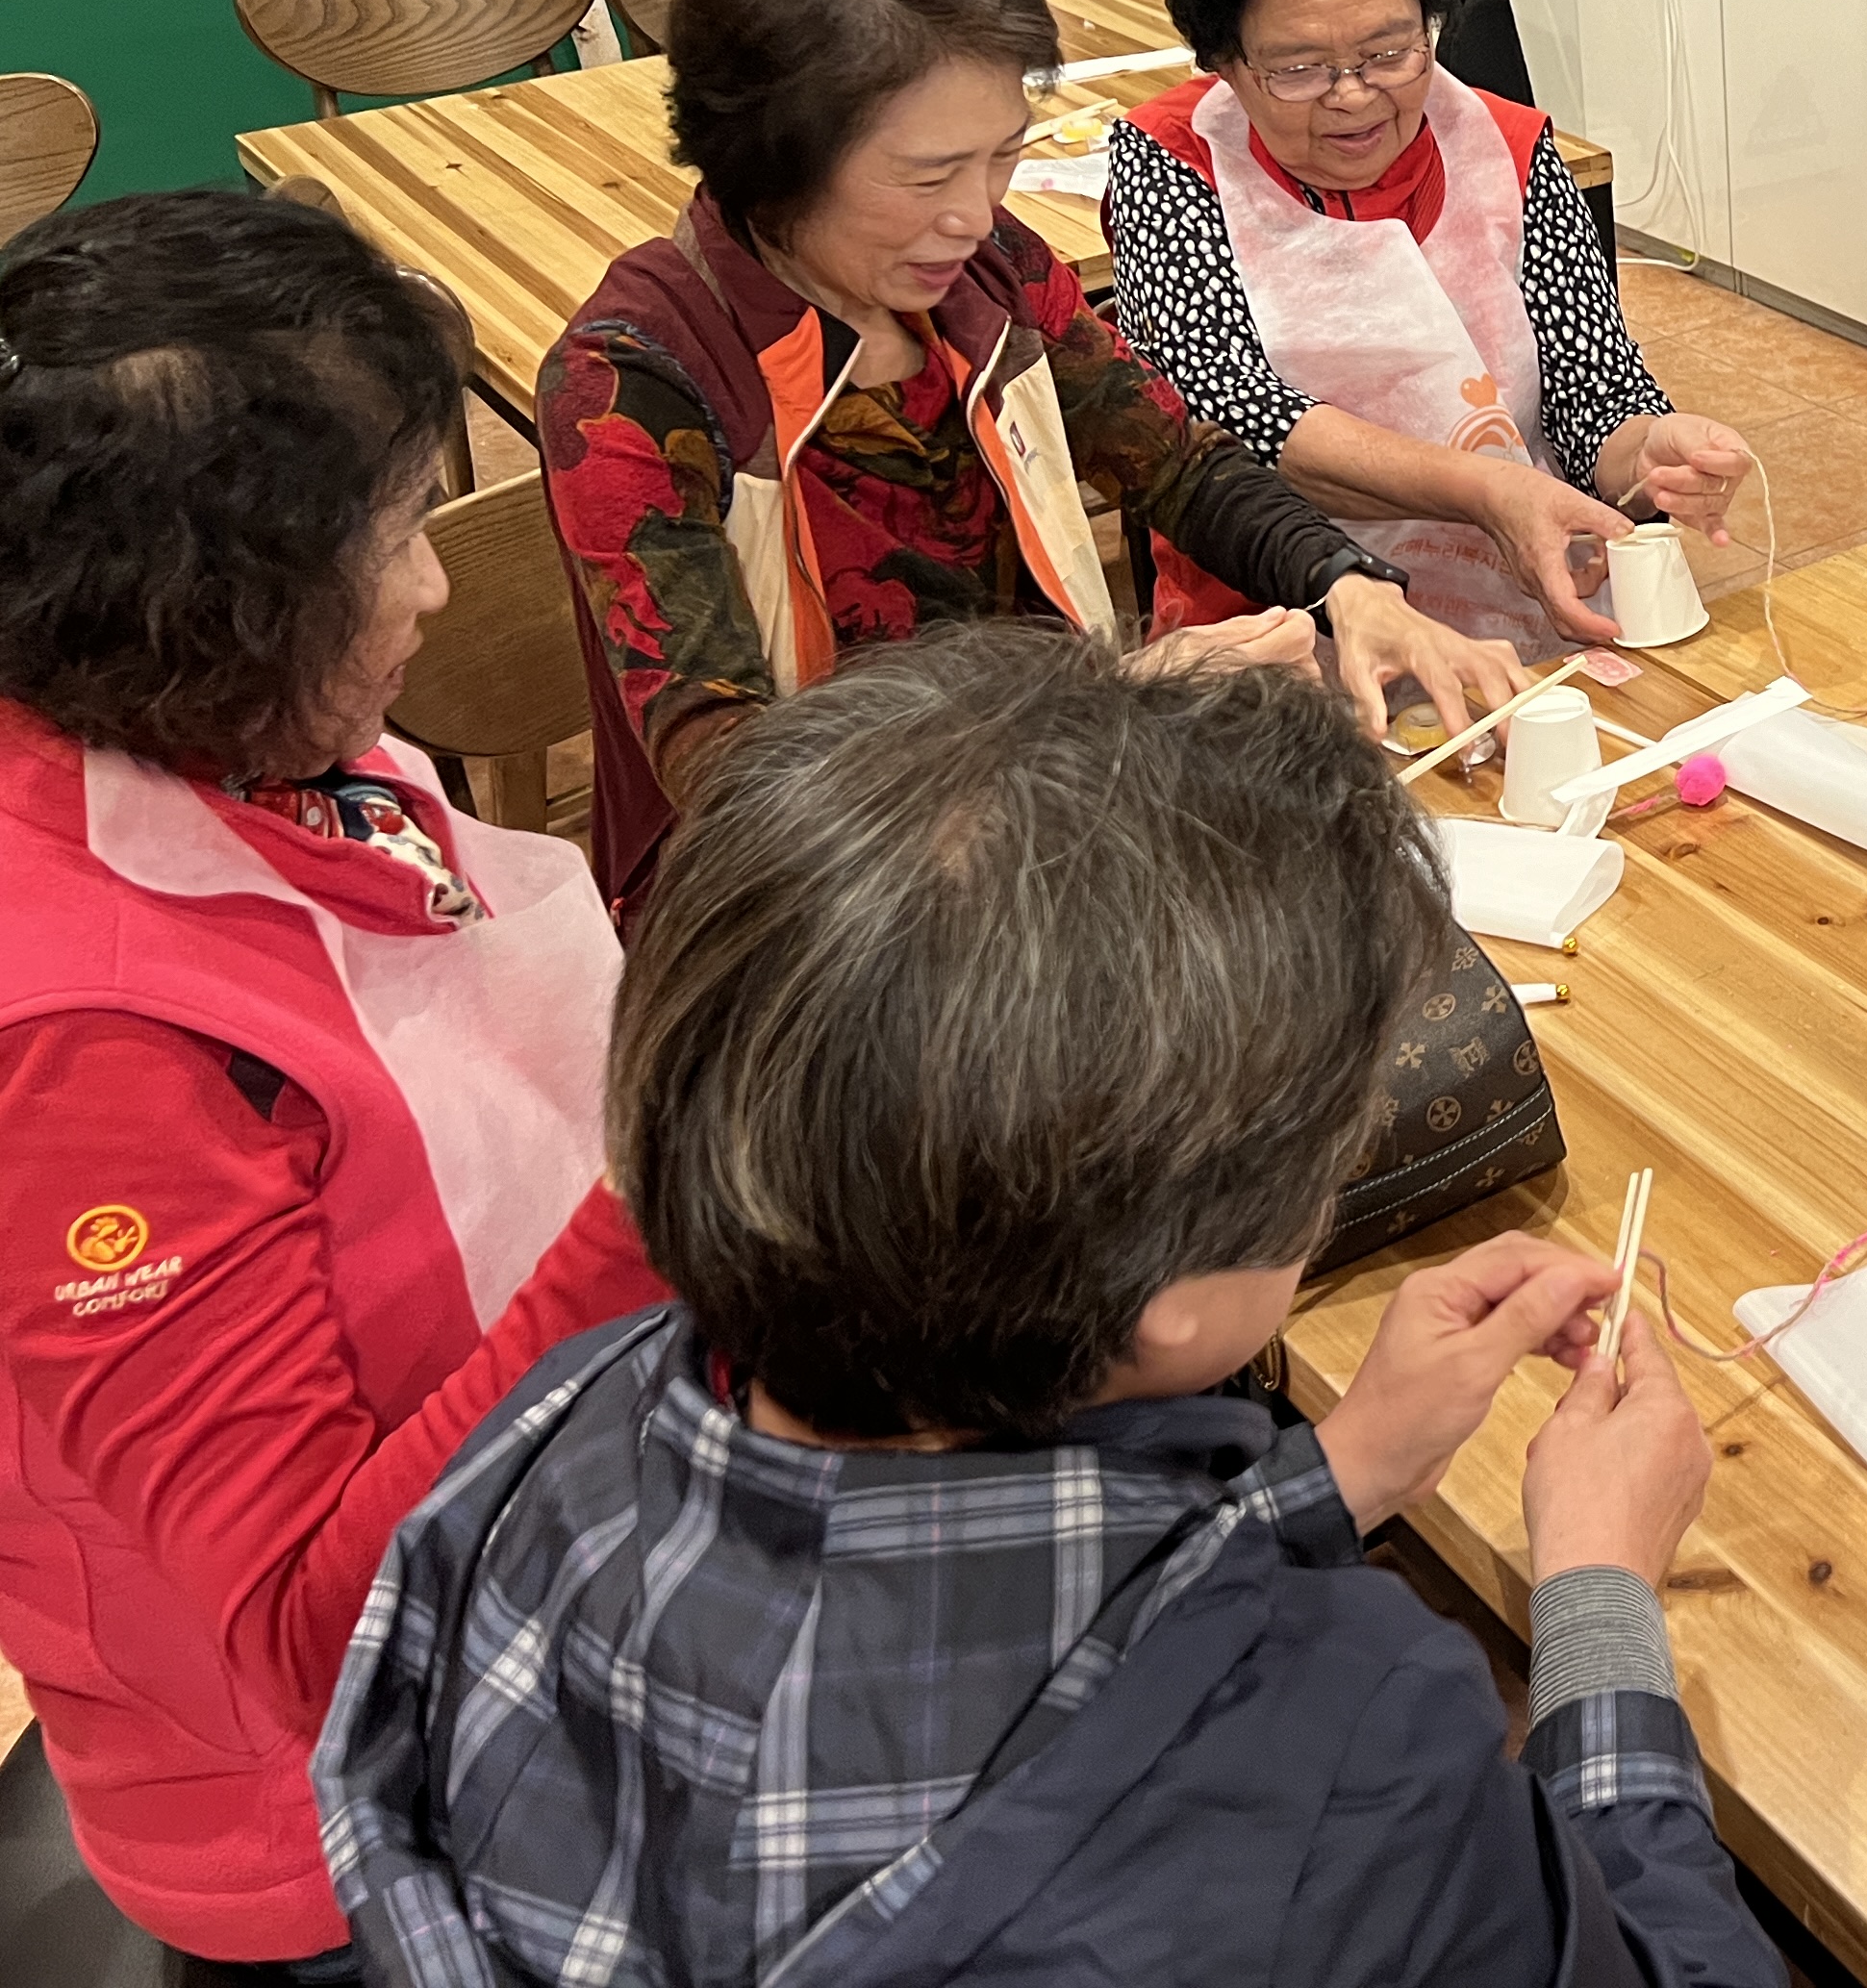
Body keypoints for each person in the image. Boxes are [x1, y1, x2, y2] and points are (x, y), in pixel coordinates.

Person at [315, 629, 1777, 1988]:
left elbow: (996, 1649)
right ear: (1176, 1312)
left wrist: (1334, 1481)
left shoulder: (566, 1425)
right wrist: (1596, 1592)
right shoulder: (1345, 1751)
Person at [0, 194, 666, 1978]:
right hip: (348, 1820)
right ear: (199, 587)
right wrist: (670, 1194)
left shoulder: (218, 718)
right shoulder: (80, 1045)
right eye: (389, 532)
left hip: (555, 1585)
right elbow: (313, 1625)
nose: (440, 581)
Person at [542, 0, 1525, 902]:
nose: (975, 213)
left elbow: (1175, 463)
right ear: (772, 157)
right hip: (810, 932)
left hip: (1043, 833)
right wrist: (1106, 699)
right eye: (929, 175)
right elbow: (739, 782)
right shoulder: (639, 381)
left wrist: (1345, 586)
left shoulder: (984, 276)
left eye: (1001, 156)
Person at [1107, 0, 1754, 653]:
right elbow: (1235, 418)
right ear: (1223, 58)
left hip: (1518, 617)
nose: (1352, 95)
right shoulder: (1177, 162)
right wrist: (1488, 491)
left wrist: (1652, 453)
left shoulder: (1505, 153)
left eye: (1389, 50)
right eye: (1298, 68)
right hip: (1275, 643)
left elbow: (1596, 402)